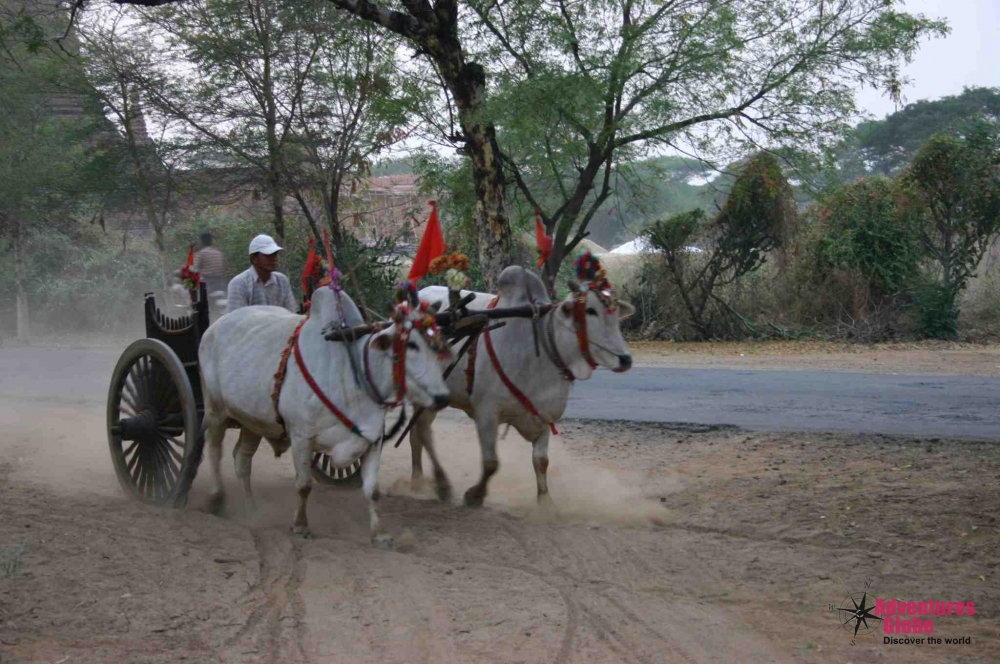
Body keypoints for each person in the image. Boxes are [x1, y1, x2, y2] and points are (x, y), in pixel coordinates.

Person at [226, 234, 298, 315]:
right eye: (268, 255)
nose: (274, 258)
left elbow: (291, 313)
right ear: (254, 259)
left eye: (275, 254)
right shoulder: (239, 283)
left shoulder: (282, 281)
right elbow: (235, 320)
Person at [193, 232, 226, 320]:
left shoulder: (200, 254)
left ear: (202, 242)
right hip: (220, 284)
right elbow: (223, 269)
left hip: (207, 285)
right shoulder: (219, 253)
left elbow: (194, 270)